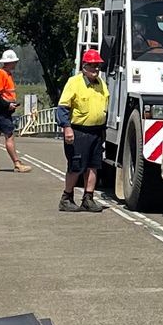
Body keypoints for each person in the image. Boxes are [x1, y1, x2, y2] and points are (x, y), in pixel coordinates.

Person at [57, 46, 110, 212]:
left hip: (96, 131)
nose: (96, 69)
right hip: (78, 131)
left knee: (93, 165)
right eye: (92, 65)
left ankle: (88, 198)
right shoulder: (74, 82)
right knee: (76, 166)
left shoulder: (101, 84)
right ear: (84, 66)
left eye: (98, 66)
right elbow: (63, 107)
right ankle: (66, 197)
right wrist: (67, 128)